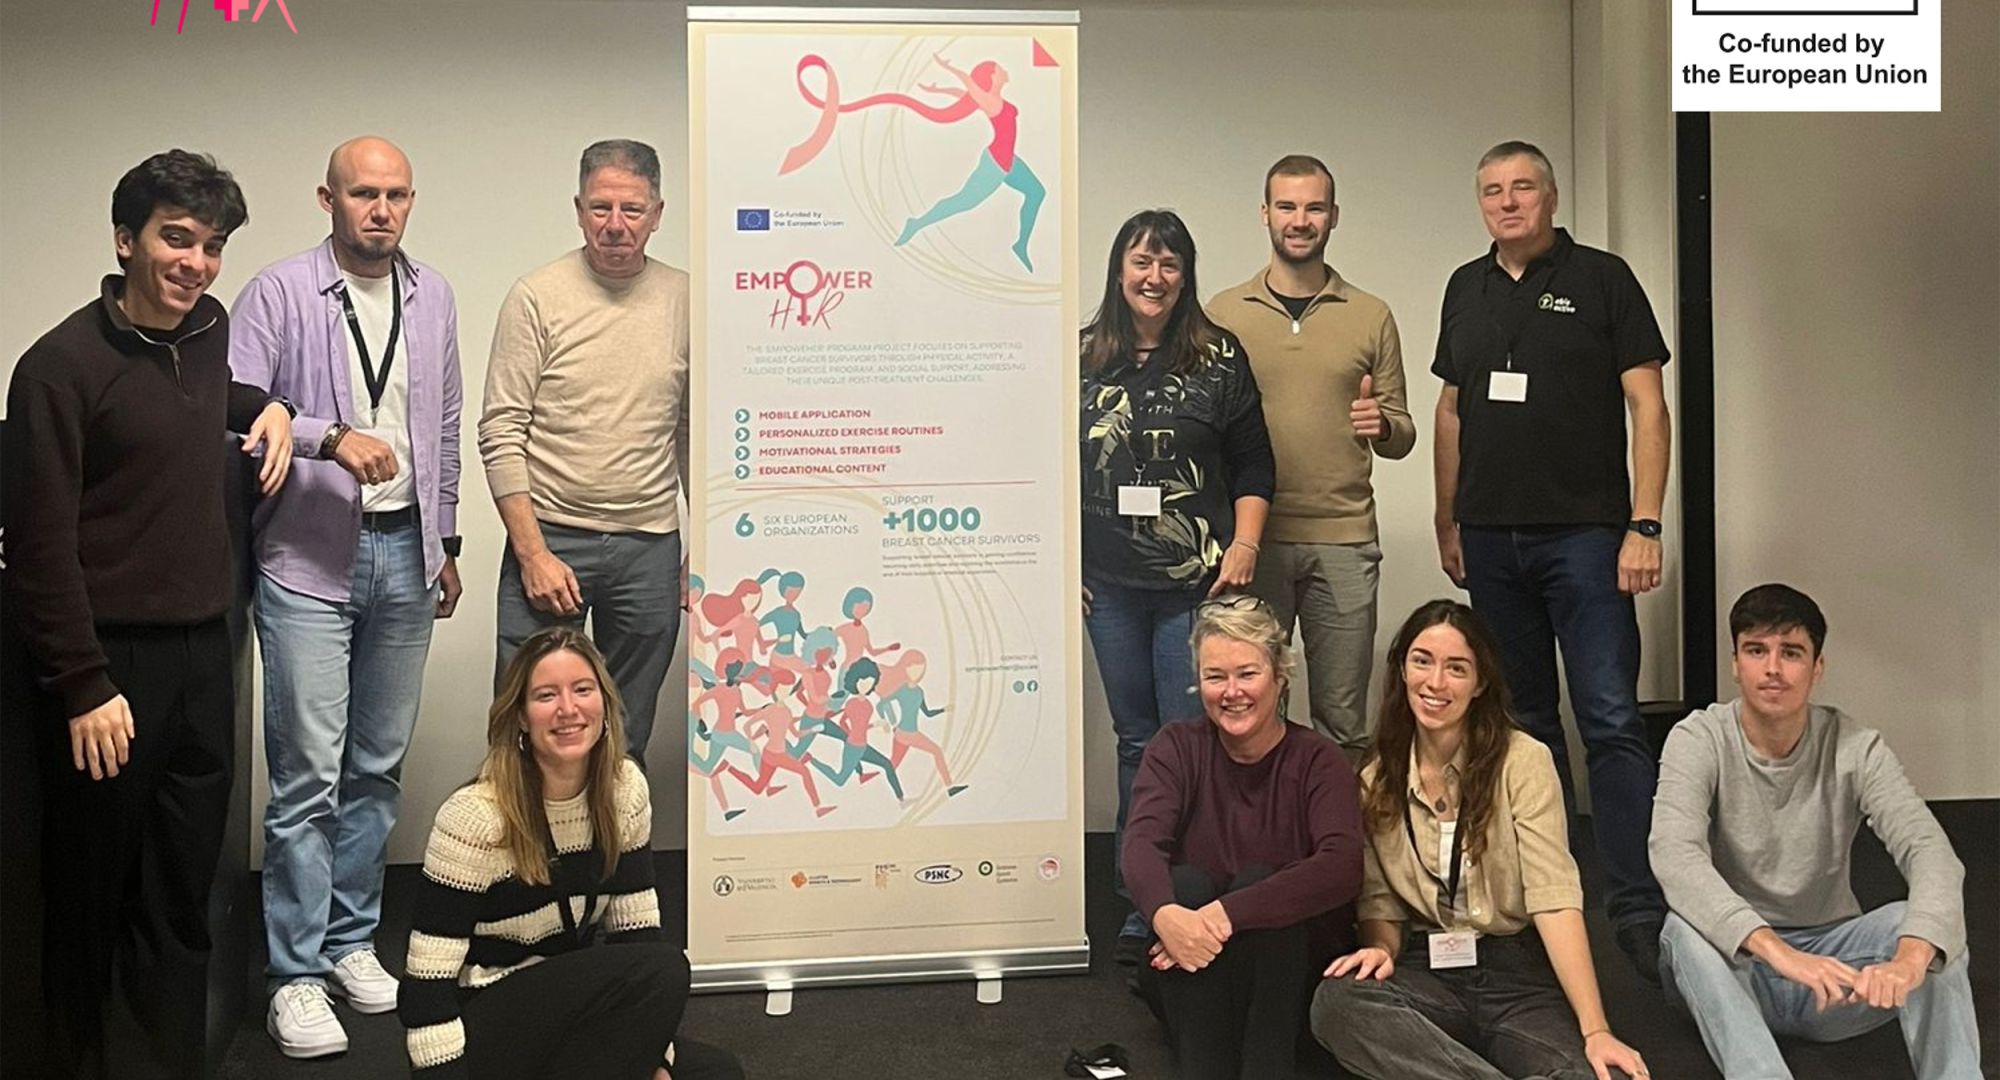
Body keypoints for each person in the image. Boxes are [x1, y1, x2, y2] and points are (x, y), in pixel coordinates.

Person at [2, 149, 292, 1076]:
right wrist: (84, 685)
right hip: (108, 672)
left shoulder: (205, 331)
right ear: (125, 240)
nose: (196, 263)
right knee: (91, 898)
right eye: (177, 238)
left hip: (205, 657)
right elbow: (38, 546)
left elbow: (196, 398)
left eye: (211, 246)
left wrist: (272, 404)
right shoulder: (57, 369)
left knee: (181, 892)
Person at [227, 135, 465, 1057]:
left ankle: (350, 941)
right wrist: (327, 435)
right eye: (363, 193)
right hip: (306, 558)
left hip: (406, 552)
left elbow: (443, 422)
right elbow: (232, 408)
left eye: (397, 194)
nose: (382, 209)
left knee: (375, 768)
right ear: (328, 199)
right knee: (308, 777)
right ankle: (293, 974)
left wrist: (446, 539)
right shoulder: (279, 292)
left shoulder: (434, 294)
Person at [1430, 139, 1671, 979]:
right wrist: (1447, 517)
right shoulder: (1464, 287)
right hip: (1490, 539)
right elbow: (1452, 410)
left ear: (1552, 196)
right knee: (1523, 726)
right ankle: (1550, 894)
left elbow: (1647, 404)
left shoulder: (1604, 279)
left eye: (1523, 187)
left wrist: (1645, 523)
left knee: (1609, 718)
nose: (1507, 202)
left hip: (1586, 537)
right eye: (1492, 190)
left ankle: (1638, 903)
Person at [1650, 584, 1982, 1079]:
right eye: (1756, 650)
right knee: (1683, 930)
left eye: (1791, 653)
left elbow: (1929, 850)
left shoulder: (1857, 746)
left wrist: (1912, 959)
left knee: (1931, 930)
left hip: (1831, 973)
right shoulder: (1699, 737)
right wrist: (1779, 953)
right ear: (1735, 664)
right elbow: (1674, 855)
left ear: (1817, 667)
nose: (1773, 668)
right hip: (1736, 972)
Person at [1313, 601, 1648, 1080]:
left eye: (1457, 668)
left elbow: (1554, 899)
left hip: (1516, 976)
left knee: (1593, 1074)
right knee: (1337, 1002)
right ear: (1402, 670)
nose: (1435, 682)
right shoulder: (1375, 778)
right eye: (1422, 661)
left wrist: (1597, 1030)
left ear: (1480, 683)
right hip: (1425, 970)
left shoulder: (1523, 761)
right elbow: (1380, 904)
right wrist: (1381, 950)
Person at [398, 627, 740, 1079]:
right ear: (521, 717)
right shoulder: (475, 817)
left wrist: (654, 1062)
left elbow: (635, 935)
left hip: (570, 1007)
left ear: (604, 703)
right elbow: (426, 986)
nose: (568, 709)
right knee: (663, 968)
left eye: (582, 690)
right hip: (488, 1020)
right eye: (546, 695)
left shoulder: (625, 790)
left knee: (717, 1072)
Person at [1080, 208, 1276, 957]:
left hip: (1197, 587)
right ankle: (1144, 900)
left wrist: (1246, 544)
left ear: (1185, 274)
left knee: (1191, 740)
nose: (1154, 277)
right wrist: (1060, 567)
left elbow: (1254, 463)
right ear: (1118, 271)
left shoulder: (1217, 357)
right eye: (1141, 261)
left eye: (1169, 263)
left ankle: (1199, 891)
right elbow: (1045, 464)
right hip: (1110, 589)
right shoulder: (1083, 356)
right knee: (1137, 741)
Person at [480, 138, 690, 759]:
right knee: (527, 731)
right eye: (601, 208)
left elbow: (691, 431)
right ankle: (525, 831)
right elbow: (501, 429)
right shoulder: (537, 296)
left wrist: (704, 549)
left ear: (657, 213)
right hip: (551, 539)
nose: (615, 224)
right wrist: (532, 553)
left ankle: (614, 831)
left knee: (624, 736)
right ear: (578, 210)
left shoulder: (686, 298)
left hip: (648, 545)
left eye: (632, 209)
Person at [1207, 154, 1415, 762]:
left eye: (1314, 208)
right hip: (1253, 544)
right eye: (1288, 206)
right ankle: (1261, 826)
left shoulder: (1371, 314)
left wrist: (1383, 425)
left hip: (1344, 542)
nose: (1300, 220)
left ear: (1333, 216)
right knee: (1248, 715)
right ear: (1265, 214)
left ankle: (1337, 828)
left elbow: (1402, 433)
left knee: (1342, 722)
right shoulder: (1223, 313)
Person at [1121, 594, 1362, 1080]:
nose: (1232, 692)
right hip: (1192, 960)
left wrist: (1225, 915)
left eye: (1247, 673)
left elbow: (1342, 865)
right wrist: (1168, 916)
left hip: (1289, 971)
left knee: (1264, 886)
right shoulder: (1176, 748)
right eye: (1215, 677)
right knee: (1184, 886)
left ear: (1280, 675)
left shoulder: (1319, 760)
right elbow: (1140, 845)